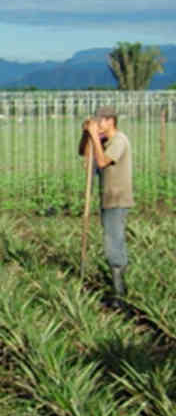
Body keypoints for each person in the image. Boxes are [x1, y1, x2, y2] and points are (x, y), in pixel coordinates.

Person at [80, 105, 132, 305]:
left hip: (117, 198)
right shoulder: (104, 140)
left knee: (113, 242)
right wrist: (87, 135)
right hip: (108, 197)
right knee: (112, 238)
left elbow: (101, 162)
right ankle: (118, 288)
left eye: (100, 121)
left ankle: (119, 294)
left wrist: (94, 136)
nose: (98, 124)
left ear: (111, 121)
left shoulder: (119, 141)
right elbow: (85, 153)